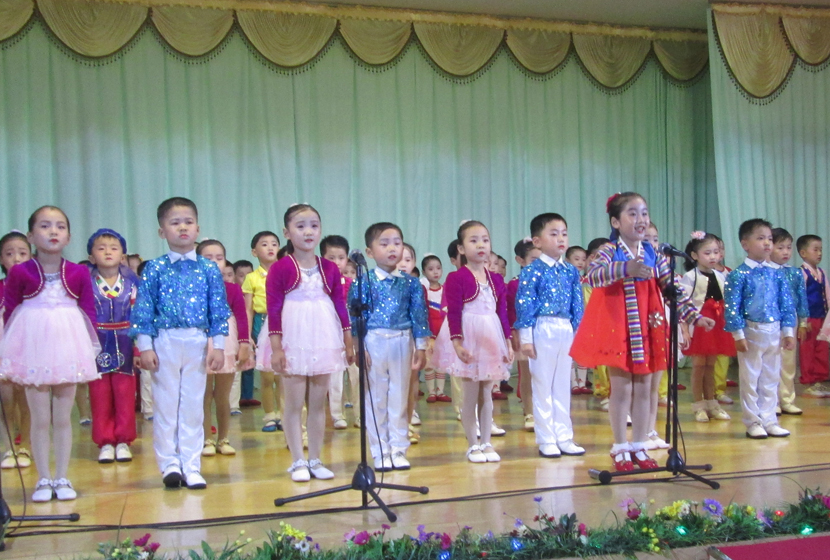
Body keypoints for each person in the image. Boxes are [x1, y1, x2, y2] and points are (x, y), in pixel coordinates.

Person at [570, 193, 713, 472]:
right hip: (620, 327)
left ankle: (639, 445)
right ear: (615, 221)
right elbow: (592, 274)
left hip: (649, 326)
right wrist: (626, 269)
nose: (641, 220)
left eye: (644, 213)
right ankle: (620, 447)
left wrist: (694, 317)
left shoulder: (654, 253)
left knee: (645, 387)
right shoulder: (609, 251)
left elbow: (671, 288)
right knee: (622, 388)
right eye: (632, 214)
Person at [0, 206, 102, 501]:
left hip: (68, 345)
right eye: (45, 226)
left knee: (62, 417)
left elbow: (88, 311)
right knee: (40, 417)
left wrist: (87, 347)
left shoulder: (78, 272)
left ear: (68, 236)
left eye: (59, 226)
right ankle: (43, 478)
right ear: (31, 235)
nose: (53, 231)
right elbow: (12, 310)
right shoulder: (21, 272)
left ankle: (62, 477)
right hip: (33, 347)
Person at [131, 197, 230, 489]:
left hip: (197, 340)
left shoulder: (209, 269)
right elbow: (144, 309)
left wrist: (219, 345)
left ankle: (192, 463)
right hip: (165, 340)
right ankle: (169, 464)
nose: (182, 228)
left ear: (198, 228)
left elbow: (218, 309)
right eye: (174, 223)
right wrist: (145, 345)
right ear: (162, 231)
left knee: (192, 405)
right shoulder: (154, 269)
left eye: (188, 222)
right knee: (165, 403)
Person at [256, 205, 353, 481]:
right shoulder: (281, 268)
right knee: (294, 402)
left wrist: (347, 341)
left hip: (323, 336)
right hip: (293, 337)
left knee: (318, 402)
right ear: (287, 232)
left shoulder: (330, 268)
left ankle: (315, 459)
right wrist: (277, 349)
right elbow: (274, 309)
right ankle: (298, 460)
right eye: (300, 226)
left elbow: (339, 305)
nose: (308, 231)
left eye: (313, 225)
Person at [348, 222, 429, 471]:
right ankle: (380, 450)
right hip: (374, 340)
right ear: (370, 252)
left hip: (402, 340)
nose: (392, 248)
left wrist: (421, 346)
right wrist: (358, 346)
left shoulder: (411, 283)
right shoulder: (363, 282)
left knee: (399, 396)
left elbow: (419, 315)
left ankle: (398, 448)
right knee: (376, 397)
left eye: (397, 242)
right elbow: (355, 317)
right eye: (384, 244)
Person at [435, 221, 512, 463]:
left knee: (487, 394)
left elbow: (503, 313)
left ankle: (487, 441)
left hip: (490, 338)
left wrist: (508, 342)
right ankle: (472, 444)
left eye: (485, 240)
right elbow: (454, 313)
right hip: (468, 338)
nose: (481, 245)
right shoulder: (457, 277)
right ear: (460, 248)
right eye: (473, 240)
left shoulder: (496, 279)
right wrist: (457, 343)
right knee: (470, 394)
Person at [515, 213, 584, 458]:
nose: (560, 239)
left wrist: (579, 336)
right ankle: (546, 438)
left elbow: (578, 305)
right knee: (542, 384)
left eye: (563, 233)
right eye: (553, 234)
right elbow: (524, 305)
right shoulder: (532, 271)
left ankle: (564, 435)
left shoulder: (570, 271)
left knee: (562, 385)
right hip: (542, 328)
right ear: (537, 241)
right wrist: (526, 338)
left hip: (565, 328)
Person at [724, 218, 796, 439]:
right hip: (751, 331)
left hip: (774, 331)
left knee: (771, 377)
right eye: (760, 238)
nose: (767, 243)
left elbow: (786, 303)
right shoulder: (738, 275)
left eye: (770, 239)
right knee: (750, 378)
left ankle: (769, 419)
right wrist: (738, 334)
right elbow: (732, 307)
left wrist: (788, 331)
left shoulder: (778, 273)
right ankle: (752, 420)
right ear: (745, 244)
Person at [87, 228, 140, 463]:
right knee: (99, 395)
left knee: (125, 393)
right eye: (101, 248)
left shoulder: (133, 283)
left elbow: (140, 316)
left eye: (113, 248)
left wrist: (139, 347)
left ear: (123, 256)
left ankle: (123, 440)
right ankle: (105, 441)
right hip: (96, 343)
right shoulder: (85, 283)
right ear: (91, 257)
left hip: (126, 341)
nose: (107, 252)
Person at [197, 240, 251, 457]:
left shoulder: (232, 289)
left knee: (223, 395)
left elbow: (241, 316)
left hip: (227, 339)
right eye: (208, 258)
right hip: (200, 339)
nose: (214, 262)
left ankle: (224, 438)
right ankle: (206, 438)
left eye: (219, 258)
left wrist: (244, 342)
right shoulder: (193, 286)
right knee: (203, 395)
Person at [680, 231, 736, 423]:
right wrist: (685, 328)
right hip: (699, 324)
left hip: (716, 324)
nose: (713, 257)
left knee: (711, 365)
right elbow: (683, 304)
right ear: (695, 255)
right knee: (699, 365)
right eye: (707, 253)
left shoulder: (721, 276)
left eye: (716, 252)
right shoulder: (689, 277)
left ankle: (712, 403)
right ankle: (698, 405)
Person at [0, 231, 32, 470]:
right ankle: (8, 447)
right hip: (4, 351)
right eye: (9, 254)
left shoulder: (34, 289)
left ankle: (27, 447)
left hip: (30, 350)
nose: (16, 258)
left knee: (27, 399)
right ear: (1, 259)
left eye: (22, 253)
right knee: (6, 400)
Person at [320, 234, 359, 429]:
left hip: (352, 334)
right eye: (331, 258)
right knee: (335, 376)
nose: (337, 262)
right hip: (329, 334)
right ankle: (337, 414)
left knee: (357, 375)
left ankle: (360, 414)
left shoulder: (353, 284)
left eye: (341, 258)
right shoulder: (320, 284)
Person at [243, 232, 281, 425]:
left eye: (274, 244)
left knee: (283, 374)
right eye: (264, 244)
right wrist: (247, 334)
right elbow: (248, 309)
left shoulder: (285, 271)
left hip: (282, 322)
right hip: (261, 321)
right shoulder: (251, 278)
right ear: (254, 251)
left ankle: (284, 414)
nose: (270, 248)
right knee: (266, 375)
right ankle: (269, 415)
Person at [768, 228, 807, 415]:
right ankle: (771, 400)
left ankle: (787, 398)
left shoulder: (795, 273)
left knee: (788, 362)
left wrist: (803, 321)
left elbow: (801, 298)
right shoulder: (764, 271)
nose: (785, 252)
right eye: (780, 247)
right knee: (770, 361)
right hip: (769, 321)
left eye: (788, 247)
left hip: (789, 321)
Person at [508, 238, 541, 432]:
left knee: (545, 374)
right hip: (523, 332)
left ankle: (545, 410)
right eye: (533, 260)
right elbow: (512, 311)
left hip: (544, 331)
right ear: (520, 260)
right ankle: (529, 411)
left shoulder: (545, 280)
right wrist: (515, 332)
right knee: (527, 374)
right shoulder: (514, 284)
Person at [797, 235, 830, 397]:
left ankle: (820, 379)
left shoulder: (822, 273)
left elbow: (827, 295)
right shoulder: (801, 273)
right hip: (809, 318)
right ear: (803, 253)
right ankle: (808, 380)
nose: (819, 253)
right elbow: (800, 297)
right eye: (815, 249)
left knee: (822, 348)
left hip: (822, 317)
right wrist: (803, 320)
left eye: (821, 250)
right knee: (807, 349)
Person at [422, 253, 450, 404]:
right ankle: (431, 392)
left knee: (442, 363)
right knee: (429, 363)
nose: (435, 272)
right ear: (424, 272)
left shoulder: (446, 289)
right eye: (431, 269)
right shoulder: (423, 290)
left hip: (444, 332)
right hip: (430, 332)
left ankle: (441, 391)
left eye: (438, 268)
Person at [565, 246, 590, 394]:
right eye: (576, 259)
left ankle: (582, 383)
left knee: (583, 352)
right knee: (570, 352)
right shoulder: (564, 279)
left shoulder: (587, 280)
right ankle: (573, 383)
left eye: (583, 259)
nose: (581, 262)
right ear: (567, 260)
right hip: (568, 321)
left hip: (584, 321)